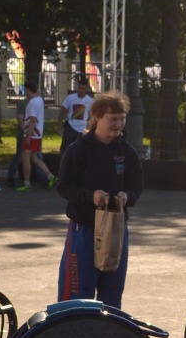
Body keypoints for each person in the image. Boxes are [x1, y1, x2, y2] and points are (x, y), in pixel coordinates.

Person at [56, 91, 144, 309]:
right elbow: (64, 187)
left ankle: (108, 330)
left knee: (112, 293)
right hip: (84, 229)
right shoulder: (78, 150)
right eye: (113, 119)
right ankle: (74, 328)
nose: (118, 124)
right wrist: (91, 196)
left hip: (116, 229)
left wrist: (127, 196)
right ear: (97, 117)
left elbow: (137, 187)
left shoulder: (127, 151)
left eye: (122, 119)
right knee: (78, 293)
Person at [17, 80, 57, 192]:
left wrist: (28, 135)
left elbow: (32, 120)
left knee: (26, 157)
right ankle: (50, 176)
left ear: (28, 90)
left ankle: (27, 183)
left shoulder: (32, 103)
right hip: (38, 134)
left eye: (26, 90)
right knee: (34, 157)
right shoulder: (39, 100)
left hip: (32, 134)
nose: (25, 93)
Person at [58, 77, 93, 155]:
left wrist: (88, 128)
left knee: (80, 152)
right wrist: (59, 126)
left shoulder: (90, 101)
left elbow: (92, 116)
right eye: (80, 88)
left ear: (86, 89)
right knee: (65, 151)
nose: (81, 90)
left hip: (82, 130)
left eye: (83, 88)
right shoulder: (70, 98)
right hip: (70, 127)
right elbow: (62, 112)